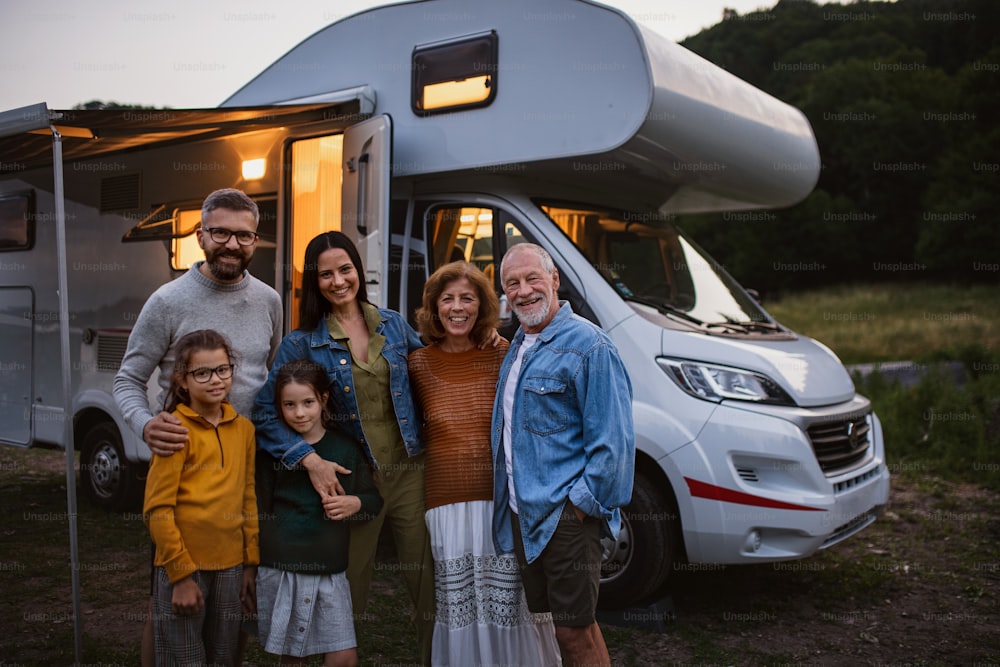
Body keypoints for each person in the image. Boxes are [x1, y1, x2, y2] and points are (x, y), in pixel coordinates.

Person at [113, 187, 282, 666]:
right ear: (199, 234)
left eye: (243, 235)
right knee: (170, 602)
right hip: (185, 469)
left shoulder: (268, 301)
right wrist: (146, 424)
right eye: (221, 232)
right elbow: (127, 379)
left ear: (255, 238)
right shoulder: (167, 301)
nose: (232, 244)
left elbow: (263, 375)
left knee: (235, 606)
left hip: (246, 463)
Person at [252, 231, 434, 664]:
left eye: (345, 269)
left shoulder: (392, 324)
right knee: (348, 591)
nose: (338, 281)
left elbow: (434, 369)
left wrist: (492, 344)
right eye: (326, 274)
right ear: (314, 282)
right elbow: (264, 413)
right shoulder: (302, 343)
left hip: (411, 473)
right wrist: (310, 460)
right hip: (353, 478)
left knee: (428, 586)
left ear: (358, 271)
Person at [409, 261, 561, 667]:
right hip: (444, 503)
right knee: (460, 607)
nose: (457, 308)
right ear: (434, 307)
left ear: (482, 306)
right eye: (447, 299)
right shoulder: (417, 365)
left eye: (467, 299)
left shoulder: (506, 355)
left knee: (511, 604)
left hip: (500, 502)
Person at [491, 242, 635, 667]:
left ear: (554, 280)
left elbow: (615, 448)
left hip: (565, 519)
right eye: (511, 283)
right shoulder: (518, 345)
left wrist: (579, 509)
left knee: (570, 632)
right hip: (525, 514)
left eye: (533, 278)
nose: (523, 291)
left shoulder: (590, 346)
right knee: (577, 626)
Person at [256, 359, 383, 666]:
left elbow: (372, 500)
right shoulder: (272, 452)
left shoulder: (345, 447)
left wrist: (355, 504)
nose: (299, 413)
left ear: (324, 399)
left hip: (330, 571)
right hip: (282, 567)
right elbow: (257, 510)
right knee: (293, 657)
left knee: (344, 657)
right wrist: (251, 565)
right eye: (289, 404)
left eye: (308, 402)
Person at [143, 329, 259, 666]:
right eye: (202, 372)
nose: (215, 380)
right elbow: (157, 509)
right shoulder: (174, 430)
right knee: (185, 658)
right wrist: (179, 576)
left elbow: (248, 497)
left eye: (223, 369)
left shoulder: (244, 430)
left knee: (223, 656)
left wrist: (249, 564)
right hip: (183, 567)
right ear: (182, 381)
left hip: (231, 569)